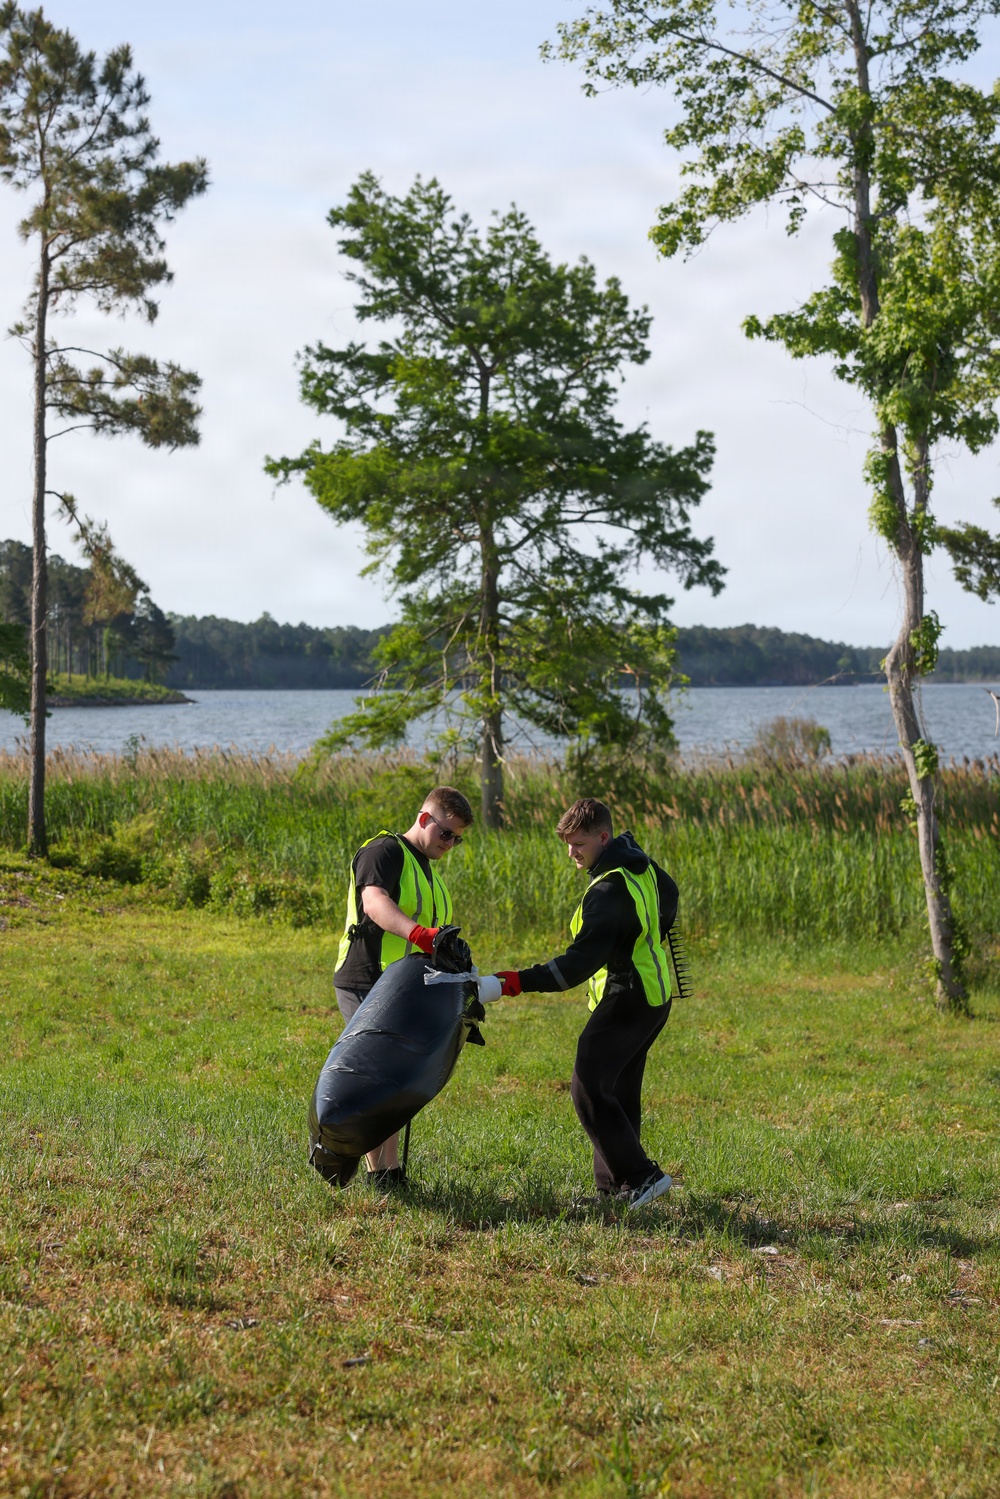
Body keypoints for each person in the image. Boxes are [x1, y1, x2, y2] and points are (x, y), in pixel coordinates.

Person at [492, 797, 678, 1209]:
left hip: (627, 998)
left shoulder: (608, 889)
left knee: (587, 1087)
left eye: (579, 844)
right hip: (655, 996)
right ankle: (615, 1189)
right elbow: (671, 893)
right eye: (567, 844)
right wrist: (644, 937)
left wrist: (515, 983)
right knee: (619, 1089)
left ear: (603, 837)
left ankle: (641, 1176)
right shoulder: (640, 863)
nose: (572, 853)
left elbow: (576, 966)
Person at [333, 785, 474, 1187]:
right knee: (376, 1078)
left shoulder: (430, 873)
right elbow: (375, 903)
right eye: (446, 833)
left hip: (404, 987)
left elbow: (437, 936)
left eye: (457, 838)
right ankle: (380, 1175)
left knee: (395, 1078)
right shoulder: (385, 852)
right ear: (424, 819)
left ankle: (386, 1174)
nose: (450, 843)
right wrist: (423, 935)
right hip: (368, 978)